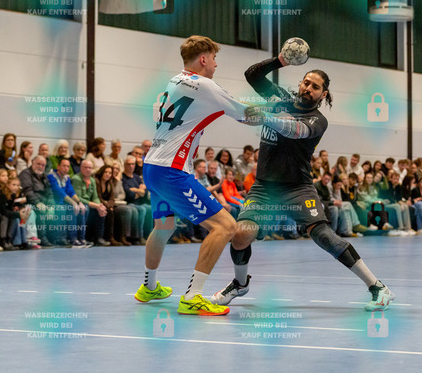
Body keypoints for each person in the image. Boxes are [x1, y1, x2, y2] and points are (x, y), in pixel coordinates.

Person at [211, 51, 394, 311]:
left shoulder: (318, 120)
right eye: (306, 82)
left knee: (323, 236)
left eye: (315, 87)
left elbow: (296, 130)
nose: (308, 88)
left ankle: (378, 287)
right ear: (300, 84)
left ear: (323, 94)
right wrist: (281, 61)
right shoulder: (279, 99)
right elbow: (252, 75)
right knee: (241, 235)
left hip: (297, 188)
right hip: (264, 188)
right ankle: (240, 284)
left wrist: (265, 117)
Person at [134, 35, 260, 316]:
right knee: (225, 226)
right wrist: (280, 114)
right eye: (214, 59)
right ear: (203, 59)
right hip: (172, 170)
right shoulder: (205, 85)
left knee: (163, 227)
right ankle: (192, 297)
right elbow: (246, 114)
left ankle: (149, 286)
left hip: (152, 166)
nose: (216, 64)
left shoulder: (174, 81)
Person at [47, 158, 87, 247]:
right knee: (70, 208)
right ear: (58, 166)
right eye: (64, 166)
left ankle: (81, 238)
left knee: (83, 208)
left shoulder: (67, 177)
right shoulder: (51, 176)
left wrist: (79, 202)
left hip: (64, 202)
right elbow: (59, 192)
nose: (66, 168)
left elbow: (71, 191)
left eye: (68, 166)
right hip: (54, 202)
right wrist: (73, 203)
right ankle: (71, 238)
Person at [18, 156, 56, 247]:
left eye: (43, 165)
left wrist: (51, 205)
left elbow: (50, 192)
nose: (40, 167)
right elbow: (28, 191)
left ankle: (57, 238)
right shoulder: (25, 174)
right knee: (40, 210)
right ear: (32, 163)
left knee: (60, 210)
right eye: (38, 164)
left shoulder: (44, 176)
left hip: (43, 201)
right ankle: (42, 238)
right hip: (29, 201)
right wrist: (38, 203)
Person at [72, 160, 108, 246]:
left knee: (103, 210)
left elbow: (95, 197)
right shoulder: (76, 178)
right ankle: (82, 237)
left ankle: (98, 238)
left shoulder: (92, 180)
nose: (88, 169)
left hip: (89, 204)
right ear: (81, 168)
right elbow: (77, 197)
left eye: (90, 168)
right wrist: (95, 205)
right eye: (85, 167)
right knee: (85, 208)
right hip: (78, 203)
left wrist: (99, 206)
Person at [0, 177, 31, 250]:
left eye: (18, 185)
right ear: (8, 185)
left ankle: (23, 240)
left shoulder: (13, 195)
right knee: (7, 218)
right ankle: (4, 239)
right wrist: (18, 214)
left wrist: (19, 209)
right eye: (14, 185)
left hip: (7, 212)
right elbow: (3, 210)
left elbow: (12, 206)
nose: (16, 187)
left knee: (21, 217)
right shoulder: (0, 194)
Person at [95, 164, 129, 246]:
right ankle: (110, 238)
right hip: (98, 203)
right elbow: (98, 197)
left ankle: (121, 237)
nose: (108, 174)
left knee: (119, 211)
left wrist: (110, 206)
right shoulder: (96, 181)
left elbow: (112, 197)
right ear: (102, 172)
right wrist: (108, 206)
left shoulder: (109, 182)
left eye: (110, 173)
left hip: (108, 205)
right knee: (110, 212)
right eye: (106, 172)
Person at [122, 155, 152, 243]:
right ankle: (138, 236)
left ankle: (149, 235)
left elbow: (145, 192)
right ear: (124, 165)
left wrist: (135, 190)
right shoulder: (123, 178)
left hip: (139, 202)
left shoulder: (136, 177)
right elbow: (129, 194)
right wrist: (140, 191)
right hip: (129, 202)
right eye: (128, 164)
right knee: (141, 209)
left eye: (133, 164)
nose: (131, 166)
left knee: (150, 208)